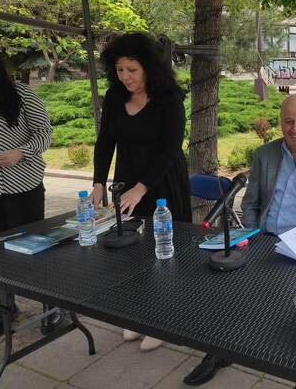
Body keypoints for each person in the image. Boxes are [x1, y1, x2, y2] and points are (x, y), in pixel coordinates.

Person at [184, 94, 296, 386]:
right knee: (224, 290)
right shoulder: (265, 154)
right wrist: (253, 236)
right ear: (280, 122)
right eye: (288, 121)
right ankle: (218, 351)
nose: (295, 129)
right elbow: (250, 204)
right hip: (266, 239)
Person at [91, 32, 191, 352]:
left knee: (163, 248)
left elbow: (170, 149)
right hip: (127, 177)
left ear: (148, 67)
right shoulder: (114, 96)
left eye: (132, 70)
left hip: (163, 180)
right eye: (120, 70)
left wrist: (141, 188)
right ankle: (138, 312)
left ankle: (164, 317)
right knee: (131, 247)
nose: (125, 77)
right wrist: (98, 182)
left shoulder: (169, 98)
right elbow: (105, 141)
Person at [0, 38, 64, 338]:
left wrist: (20, 153)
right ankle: (3, 307)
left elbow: (44, 133)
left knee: (34, 248)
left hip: (23, 185)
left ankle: (51, 306)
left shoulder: (20, 94)